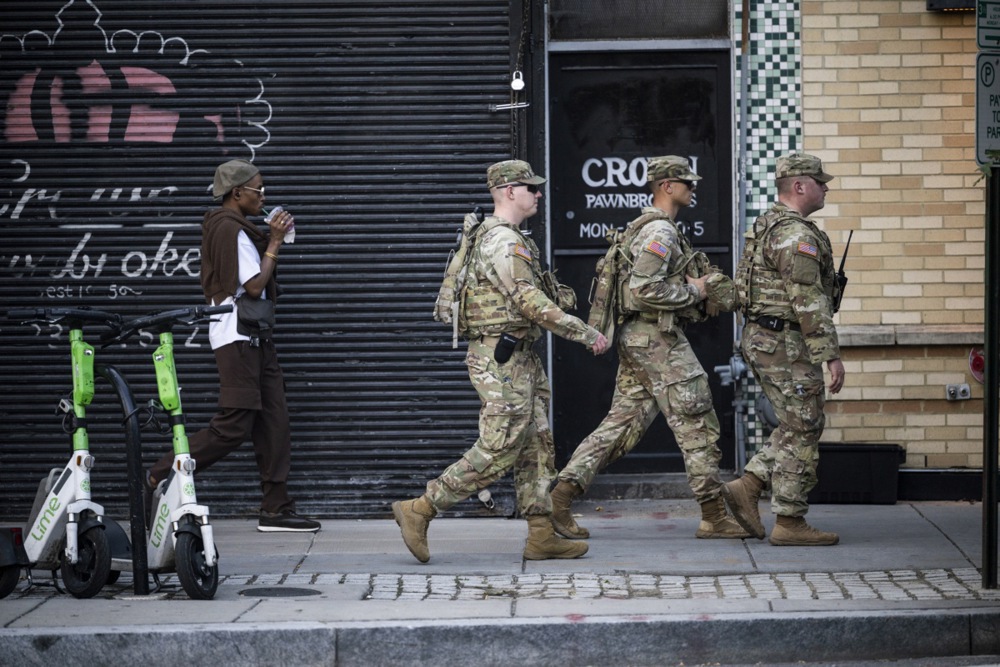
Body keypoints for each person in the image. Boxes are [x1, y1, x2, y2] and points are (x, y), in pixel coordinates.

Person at [392, 159, 610, 563]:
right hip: (500, 359)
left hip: (518, 355)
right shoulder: (503, 242)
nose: (539, 194)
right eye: (532, 188)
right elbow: (529, 301)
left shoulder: (505, 237)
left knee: (535, 446)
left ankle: (541, 533)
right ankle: (420, 508)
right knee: (498, 448)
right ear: (510, 191)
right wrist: (585, 333)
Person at [549, 156, 748, 542]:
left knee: (622, 425)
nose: (693, 189)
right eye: (687, 183)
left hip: (641, 338)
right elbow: (643, 289)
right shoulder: (661, 232)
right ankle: (713, 514)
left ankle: (560, 497)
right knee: (697, 417)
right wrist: (697, 290)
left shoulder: (650, 228)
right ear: (666, 187)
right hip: (655, 338)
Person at [144, 159, 321, 533]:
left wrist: (270, 240)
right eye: (258, 190)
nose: (263, 197)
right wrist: (273, 242)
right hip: (237, 340)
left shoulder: (239, 228)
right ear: (237, 192)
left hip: (257, 339)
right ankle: (160, 475)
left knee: (275, 421)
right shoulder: (228, 229)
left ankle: (275, 508)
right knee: (234, 427)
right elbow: (254, 286)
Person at [721, 152, 845, 547]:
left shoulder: (767, 226)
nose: (825, 187)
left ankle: (750, 484)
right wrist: (830, 354)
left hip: (767, 338)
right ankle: (790, 520)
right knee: (805, 422)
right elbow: (808, 299)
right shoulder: (795, 235)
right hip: (785, 342)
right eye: (819, 181)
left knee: (796, 422)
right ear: (799, 185)